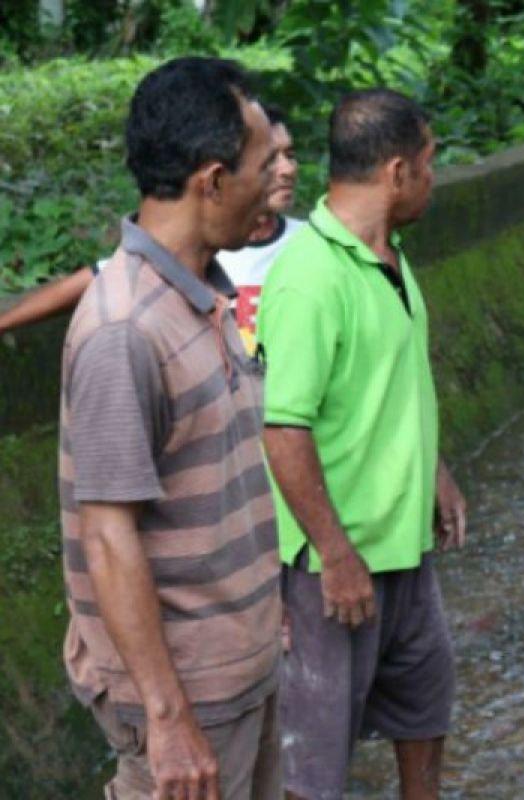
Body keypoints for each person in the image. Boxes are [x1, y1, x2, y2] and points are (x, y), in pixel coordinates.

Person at [58, 57, 284, 799]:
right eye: (262, 163)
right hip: (190, 698)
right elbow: (107, 536)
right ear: (213, 180)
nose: (275, 180)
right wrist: (168, 718)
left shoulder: (202, 296)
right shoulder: (125, 331)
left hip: (237, 669)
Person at [258, 89, 466, 800]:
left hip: (406, 553)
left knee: (424, 712)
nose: (434, 177)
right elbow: (283, 426)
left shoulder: (389, 259)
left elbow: (388, 384)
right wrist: (335, 553)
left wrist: (432, 468)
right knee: (314, 764)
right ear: (398, 171)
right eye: (431, 163)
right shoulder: (311, 277)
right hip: (335, 570)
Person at [0, 105, 301, 350]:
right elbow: (99, 276)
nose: (286, 170)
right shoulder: (195, 248)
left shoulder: (311, 245)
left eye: (290, 155)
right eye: (269, 160)